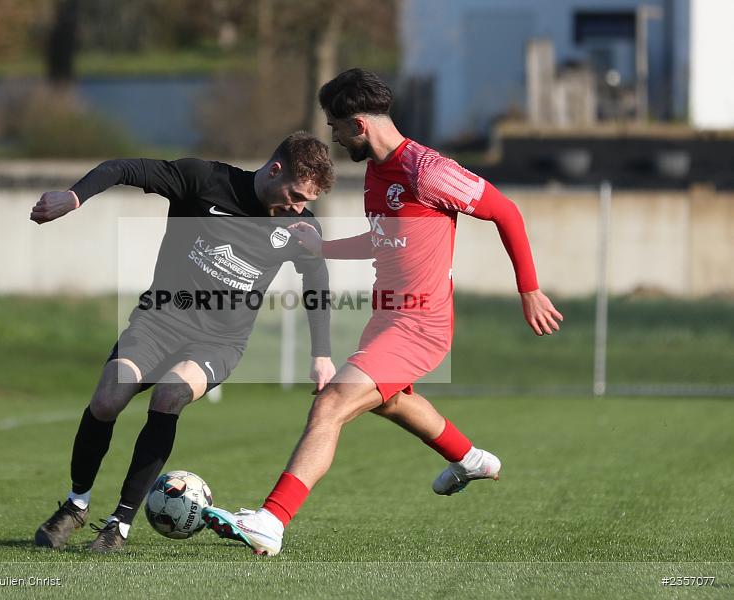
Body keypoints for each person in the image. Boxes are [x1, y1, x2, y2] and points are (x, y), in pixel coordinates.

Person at [203, 68, 564, 556]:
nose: (331, 136)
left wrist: (529, 289)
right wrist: (322, 249)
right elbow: (383, 241)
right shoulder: (375, 172)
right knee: (390, 401)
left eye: (334, 125)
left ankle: (272, 520)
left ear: (358, 124)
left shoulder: (427, 169)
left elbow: (505, 211)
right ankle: (471, 458)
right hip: (387, 317)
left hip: (420, 324)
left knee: (331, 404)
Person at [30, 132, 337, 552]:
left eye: (307, 201)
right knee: (106, 400)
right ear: (275, 169)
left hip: (219, 342)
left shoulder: (299, 226)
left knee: (170, 395)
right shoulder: (203, 179)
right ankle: (76, 503)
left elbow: (316, 281)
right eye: (296, 195)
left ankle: (118, 525)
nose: (299, 207)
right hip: (159, 322)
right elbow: (124, 167)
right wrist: (74, 196)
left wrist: (322, 353)